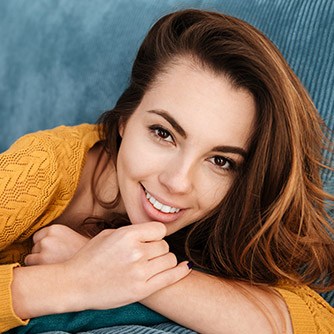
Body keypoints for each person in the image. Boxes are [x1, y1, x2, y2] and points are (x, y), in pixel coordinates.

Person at [1, 8, 334, 334]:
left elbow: (319, 324)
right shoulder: (43, 166)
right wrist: (73, 281)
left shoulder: (226, 213)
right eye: (164, 134)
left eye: (220, 161)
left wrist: (126, 272)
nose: (177, 182)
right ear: (125, 119)